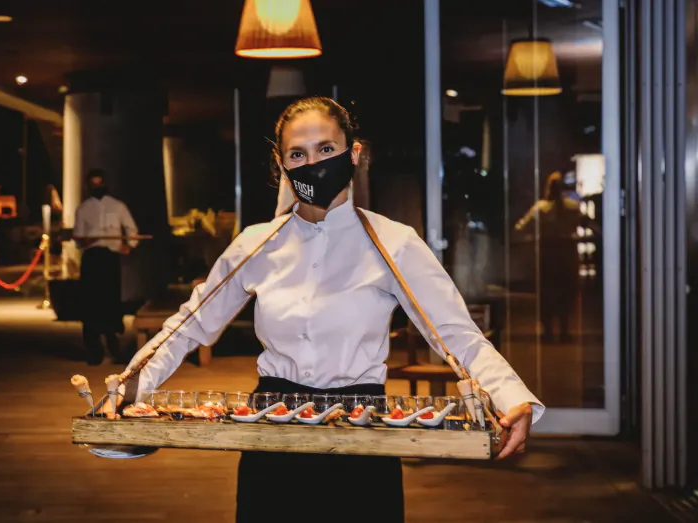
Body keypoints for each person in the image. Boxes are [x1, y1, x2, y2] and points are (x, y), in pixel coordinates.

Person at [121, 97, 543, 522]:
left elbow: (455, 333)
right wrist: (133, 384)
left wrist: (510, 396)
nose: (313, 163)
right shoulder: (256, 243)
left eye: (326, 149)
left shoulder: (394, 242)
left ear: (353, 153)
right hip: (271, 428)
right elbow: (190, 325)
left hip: (364, 429)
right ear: (281, 164)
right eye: (297, 154)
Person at [74, 169, 139, 365]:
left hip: (110, 258)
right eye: (93, 185)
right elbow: (78, 238)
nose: (97, 188)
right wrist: (86, 240)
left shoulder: (117, 206)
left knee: (110, 300)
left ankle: (113, 344)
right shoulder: (83, 208)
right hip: (92, 258)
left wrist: (129, 244)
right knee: (91, 302)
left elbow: (132, 230)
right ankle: (93, 348)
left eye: (100, 184)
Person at [515, 171, 581, 342]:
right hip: (566, 253)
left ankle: (549, 331)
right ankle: (564, 330)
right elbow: (588, 223)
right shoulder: (573, 207)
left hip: (549, 254)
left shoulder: (540, 208)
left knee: (548, 294)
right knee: (566, 293)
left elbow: (521, 227)